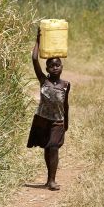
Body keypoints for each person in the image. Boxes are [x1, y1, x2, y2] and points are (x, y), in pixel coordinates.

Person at [27, 27, 70, 191]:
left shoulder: (66, 85)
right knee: (47, 147)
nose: (54, 68)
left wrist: (66, 122)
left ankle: (52, 181)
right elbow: (33, 59)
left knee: (53, 147)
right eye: (51, 66)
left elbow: (66, 105)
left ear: (62, 67)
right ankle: (48, 179)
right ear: (47, 70)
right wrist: (38, 39)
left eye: (57, 65)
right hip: (43, 120)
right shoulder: (43, 81)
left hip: (58, 121)